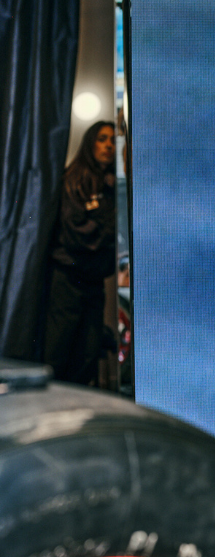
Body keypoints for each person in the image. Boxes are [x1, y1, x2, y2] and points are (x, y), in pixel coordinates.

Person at [43, 120, 116, 385]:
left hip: (94, 281)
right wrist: (109, 231)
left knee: (88, 352)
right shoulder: (74, 179)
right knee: (59, 349)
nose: (108, 145)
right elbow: (77, 233)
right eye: (102, 139)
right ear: (89, 143)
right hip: (68, 278)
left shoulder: (110, 185)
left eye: (113, 140)